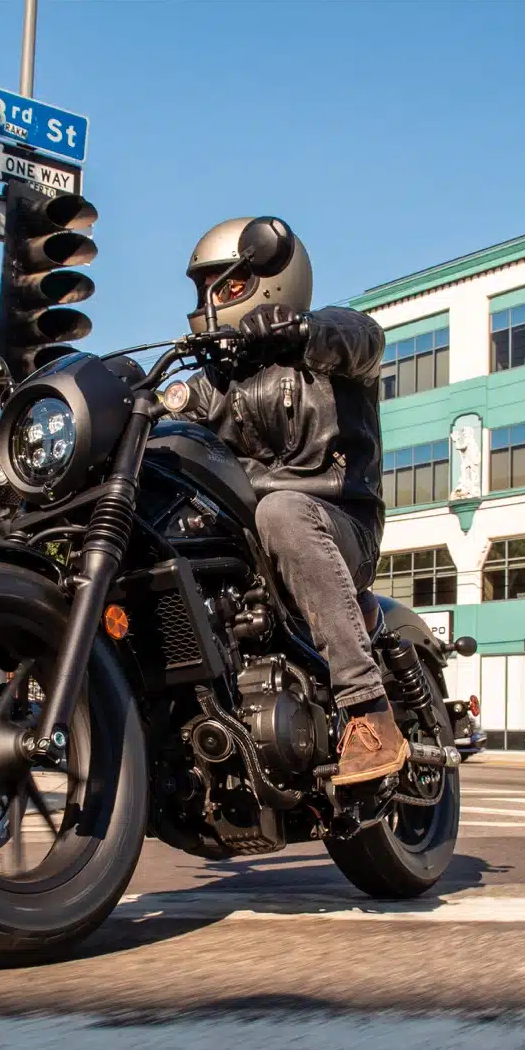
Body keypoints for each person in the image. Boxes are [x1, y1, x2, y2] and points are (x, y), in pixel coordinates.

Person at [181, 217, 406, 786]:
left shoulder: (328, 346)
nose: (210, 301)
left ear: (272, 278)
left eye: (226, 286)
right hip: (252, 545)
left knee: (279, 508)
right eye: (203, 288)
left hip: (337, 524)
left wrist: (300, 332)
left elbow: (361, 338)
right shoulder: (210, 383)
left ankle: (368, 709)